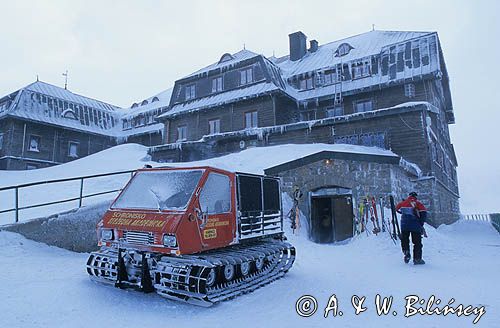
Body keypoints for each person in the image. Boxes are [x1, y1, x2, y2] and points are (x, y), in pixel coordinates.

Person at [396, 192, 428, 265]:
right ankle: (417, 259)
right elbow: (424, 214)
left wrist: (403, 213)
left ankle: (406, 252)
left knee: (405, 240)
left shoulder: (402, 203)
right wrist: (421, 223)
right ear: (416, 197)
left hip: (404, 225)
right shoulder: (418, 204)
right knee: (417, 243)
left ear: (409, 196)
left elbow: (397, 209)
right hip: (415, 226)